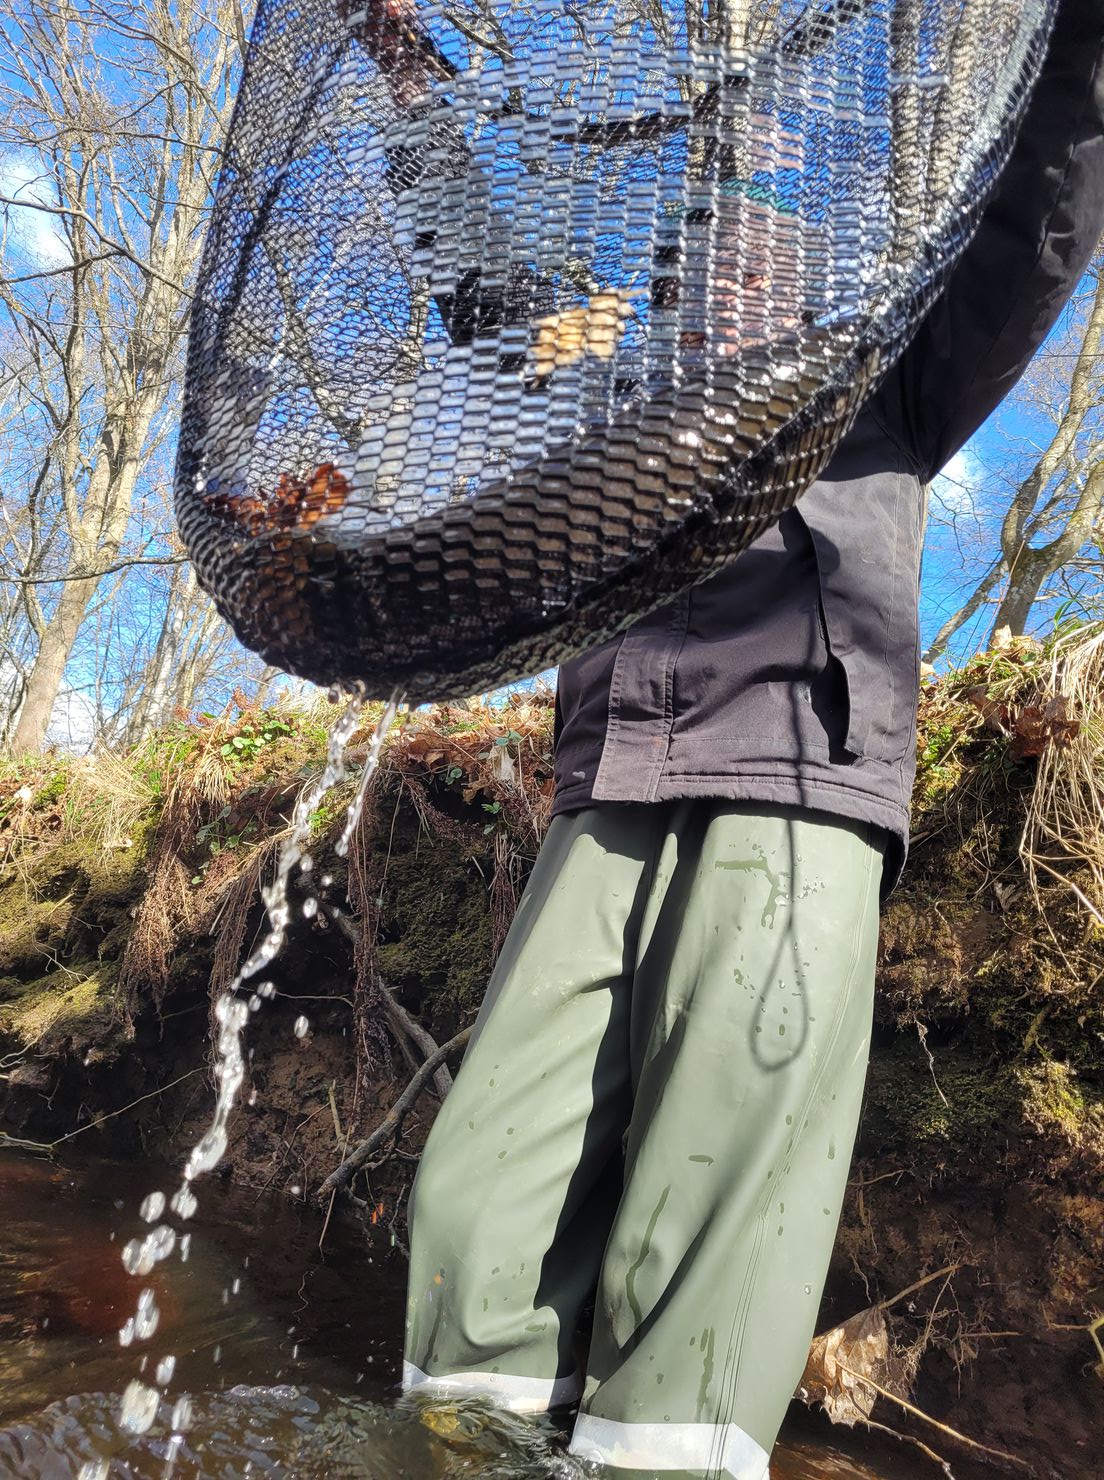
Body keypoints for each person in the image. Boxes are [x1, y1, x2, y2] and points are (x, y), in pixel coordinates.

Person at [401, 3, 1104, 1477]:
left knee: (707, 1217)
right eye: (705, 253)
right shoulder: (617, 392)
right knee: (477, 1199)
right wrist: (408, 81)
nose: (733, 265)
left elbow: (1043, 211)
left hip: (797, 778)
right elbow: (489, 294)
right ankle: (454, 1448)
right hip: (606, 792)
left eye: (767, 245)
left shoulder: (899, 379)